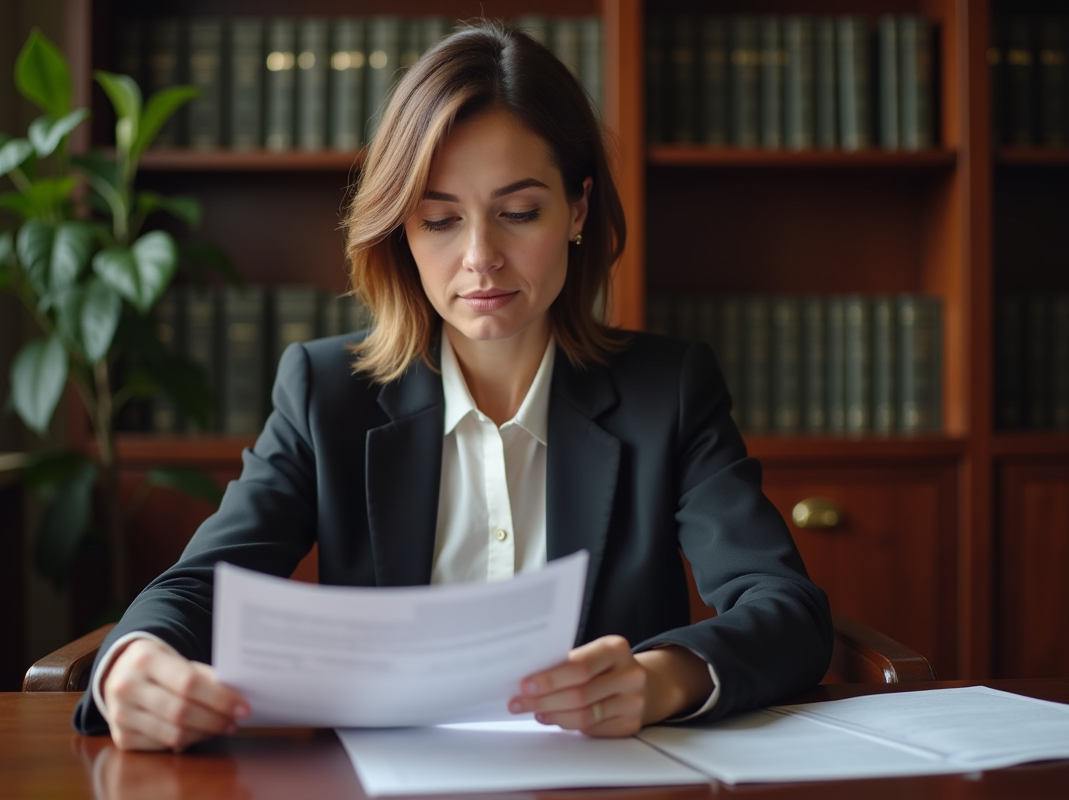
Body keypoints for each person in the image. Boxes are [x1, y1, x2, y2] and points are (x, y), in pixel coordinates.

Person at [72, 21, 832, 752]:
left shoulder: (668, 392)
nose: (480, 258)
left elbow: (785, 609)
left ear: (578, 209)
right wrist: (131, 664)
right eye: (439, 221)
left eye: (520, 212)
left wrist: (661, 678)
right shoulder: (325, 394)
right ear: (401, 232)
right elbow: (198, 586)